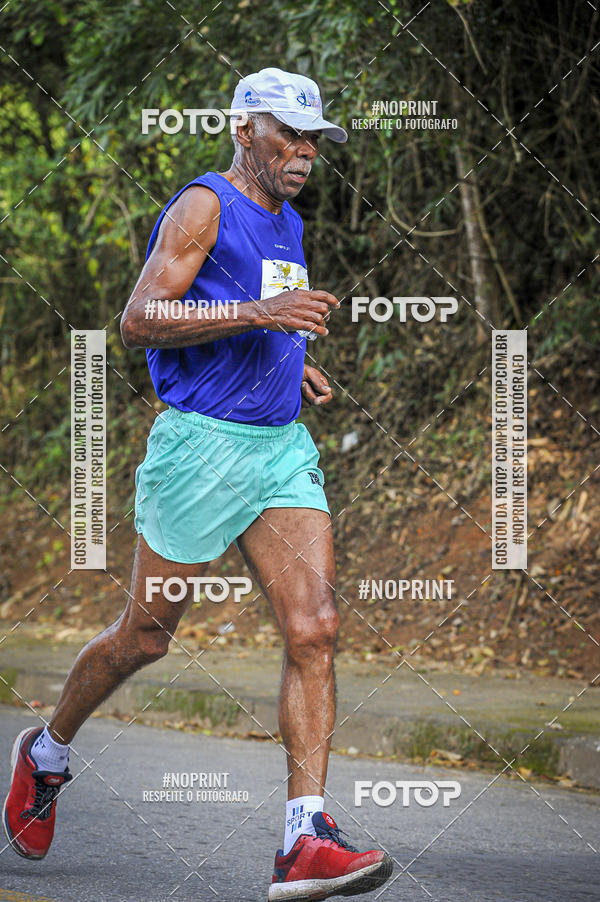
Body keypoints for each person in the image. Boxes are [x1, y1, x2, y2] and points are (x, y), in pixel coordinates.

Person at [3, 67, 393, 900]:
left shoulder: (288, 221)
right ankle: (47, 752)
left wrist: (289, 361)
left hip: (277, 450)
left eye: (313, 139)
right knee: (145, 637)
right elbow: (140, 319)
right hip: (199, 451)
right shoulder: (203, 205)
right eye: (288, 135)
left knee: (316, 629)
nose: (303, 153)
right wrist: (259, 318)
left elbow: (258, 313)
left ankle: (304, 839)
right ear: (244, 129)